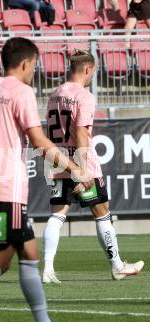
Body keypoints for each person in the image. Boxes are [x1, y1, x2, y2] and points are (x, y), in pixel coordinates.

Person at [0, 37, 94, 322]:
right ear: (26, 64)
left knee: (28, 251)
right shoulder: (21, 92)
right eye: (34, 65)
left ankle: (42, 319)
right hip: (7, 190)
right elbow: (39, 142)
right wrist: (75, 168)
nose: (34, 71)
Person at [42, 49, 145, 284]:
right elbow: (80, 133)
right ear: (88, 69)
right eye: (92, 72)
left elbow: (49, 132)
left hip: (57, 160)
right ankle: (117, 266)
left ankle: (48, 269)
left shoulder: (54, 94)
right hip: (81, 164)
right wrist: (82, 171)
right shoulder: (84, 96)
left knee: (57, 215)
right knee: (102, 212)